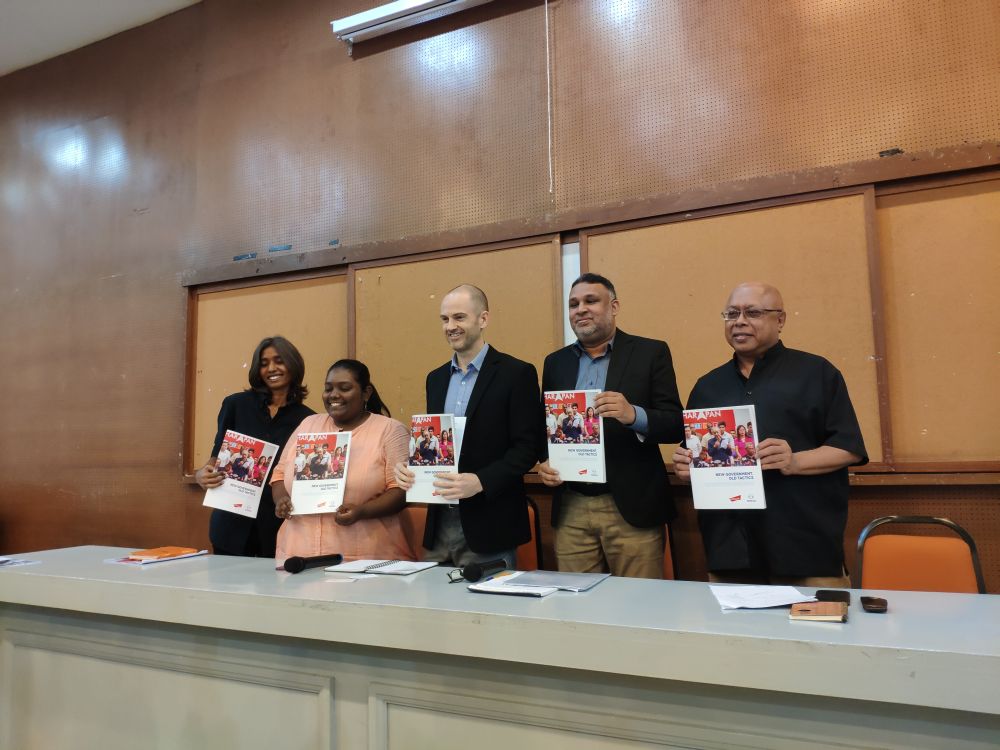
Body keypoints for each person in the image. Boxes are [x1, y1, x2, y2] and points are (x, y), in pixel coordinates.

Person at [672, 282, 867, 586]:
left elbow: (849, 447)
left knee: (818, 632)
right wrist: (687, 465)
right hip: (731, 547)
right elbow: (695, 454)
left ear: (780, 320)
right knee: (734, 634)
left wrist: (795, 462)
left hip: (803, 544)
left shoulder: (817, 373)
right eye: (731, 313)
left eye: (753, 312)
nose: (739, 321)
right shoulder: (707, 385)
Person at [539, 273, 684, 579]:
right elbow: (546, 427)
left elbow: (676, 424)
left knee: (639, 606)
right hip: (572, 506)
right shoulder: (556, 362)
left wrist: (634, 414)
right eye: (573, 304)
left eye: (591, 301)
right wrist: (544, 462)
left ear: (614, 306)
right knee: (578, 608)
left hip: (631, 506)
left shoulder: (650, 352)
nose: (581, 309)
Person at [393, 284, 540, 569]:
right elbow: (436, 445)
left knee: (487, 610)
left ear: (483, 319)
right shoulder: (434, 379)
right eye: (445, 319)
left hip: (490, 523)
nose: (450, 326)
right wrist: (411, 468)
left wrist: (481, 481)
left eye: (459, 317)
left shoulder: (517, 374)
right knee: (437, 610)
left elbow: (527, 448)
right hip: (439, 524)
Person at [272, 359, 412, 565]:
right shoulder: (308, 424)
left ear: (366, 392)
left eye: (344, 388)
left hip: (365, 559)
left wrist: (362, 511)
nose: (334, 395)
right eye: (328, 389)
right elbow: (279, 475)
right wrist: (282, 500)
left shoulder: (390, 431)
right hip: (297, 556)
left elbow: (401, 491)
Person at [194, 336, 314, 557]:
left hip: (277, 526)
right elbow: (216, 456)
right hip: (230, 525)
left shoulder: (309, 420)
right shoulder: (235, 405)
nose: (271, 368)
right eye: (264, 363)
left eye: (279, 360)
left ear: (293, 364)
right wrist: (202, 474)